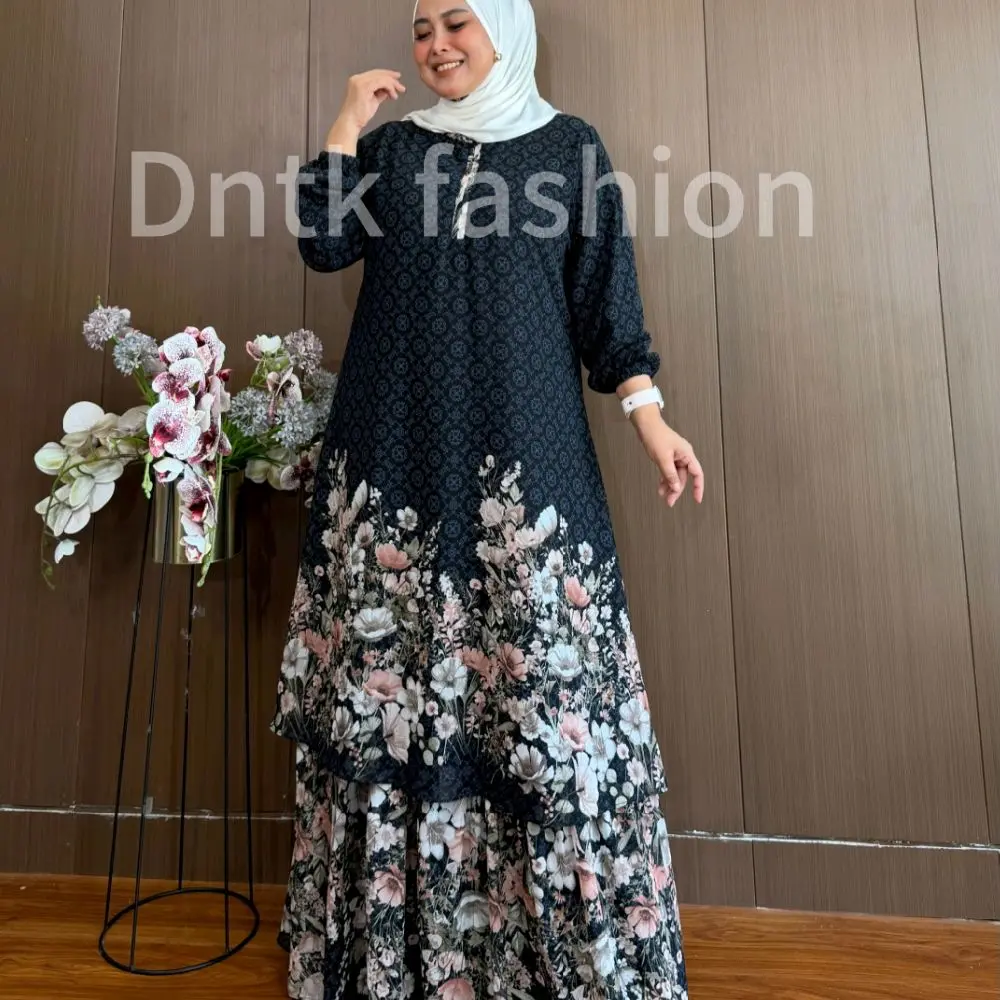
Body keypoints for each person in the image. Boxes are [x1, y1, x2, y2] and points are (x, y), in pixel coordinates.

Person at [272, 1, 703, 996]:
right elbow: (324, 246)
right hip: (392, 451)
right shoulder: (392, 150)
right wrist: (344, 126)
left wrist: (651, 418)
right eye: (421, 27)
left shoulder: (569, 149)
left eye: (457, 22)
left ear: (506, 27)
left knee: (533, 684)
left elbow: (607, 308)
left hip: (526, 455)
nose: (436, 44)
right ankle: (395, 961)